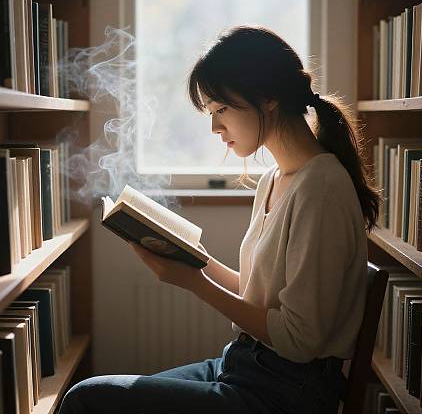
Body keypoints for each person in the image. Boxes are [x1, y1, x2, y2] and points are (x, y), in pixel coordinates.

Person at [59, 26, 380, 414]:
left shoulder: (322, 186)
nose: (214, 127)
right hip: (244, 366)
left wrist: (194, 283)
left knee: (87, 399)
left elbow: (299, 339)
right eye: (211, 113)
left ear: (269, 97)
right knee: (95, 396)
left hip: (285, 392)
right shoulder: (274, 178)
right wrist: (194, 259)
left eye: (221, 110)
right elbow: (257, 293)